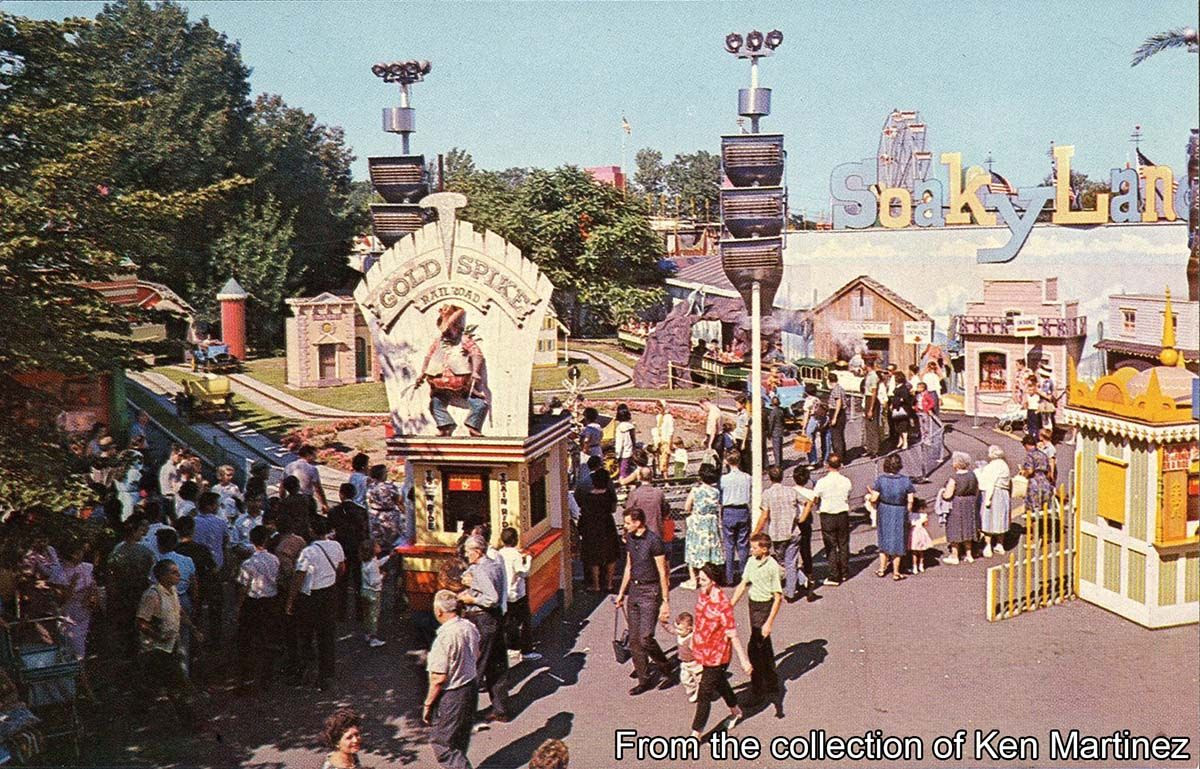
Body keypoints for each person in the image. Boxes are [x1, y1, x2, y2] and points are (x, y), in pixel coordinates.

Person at [135, 559, 202, 729]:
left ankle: (140, 709)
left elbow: (180, 612)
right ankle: (190, 721)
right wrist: (158, 637)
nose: (179, 575)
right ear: (163, 576)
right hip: (156, 649)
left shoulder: (172, 591)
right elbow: (141, 622)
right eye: (174, 572)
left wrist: (193, 629)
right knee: (174, 684)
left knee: (156, 682)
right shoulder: (152, 595)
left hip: (170, 646)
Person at [689, 564, 752, 739]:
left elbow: (732, 634)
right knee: (720, 683)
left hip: (717, 655)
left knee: (704, 694)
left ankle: (695, 735)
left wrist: (744, 660)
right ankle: (736, 711)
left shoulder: (723, 604)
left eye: (703, 579)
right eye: (699, 578)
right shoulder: (704, 594)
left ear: (713, 581)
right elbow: (699, 620)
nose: (699, 582)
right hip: (703, 650)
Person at [614, 508, 673, 695]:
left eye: (628, 523)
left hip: (650, 591)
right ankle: (643, 678)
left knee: (646, 637)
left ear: (638, 522)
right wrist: (621, 593)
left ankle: (665, 666)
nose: (625, 526)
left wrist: (665, 601)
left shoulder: (654, 541)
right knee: (634, 640)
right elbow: (629, 566)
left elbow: (663, 572)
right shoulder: (630, 538)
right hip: (635, 590)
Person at [286, 518, 345, 691]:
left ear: (311, 531)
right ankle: (326, 675)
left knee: (306, 635)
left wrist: (291, 600)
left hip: (310, 596)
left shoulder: (308, 552)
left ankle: (307, 672)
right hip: (329, 593)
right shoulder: (336, 546)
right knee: (327, 636)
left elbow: (299, 577)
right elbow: (342, 567)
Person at [423, 589, 479, 769]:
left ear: (439, 611)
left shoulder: (444, 638)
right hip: (470, 686)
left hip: (453, 694)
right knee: (460, 739)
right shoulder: (469, 627)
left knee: (444, 746)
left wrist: (428, 704)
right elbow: (476, 654)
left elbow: (438, 678)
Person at [458, 536, 511, 723]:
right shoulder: (494, 565)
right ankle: (501, 709)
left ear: (477, 551)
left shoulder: (481, 570)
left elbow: (491, 598)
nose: (466, 554)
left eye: (468, 551)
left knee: (475, 667)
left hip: (481, 618)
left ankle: (464, 714)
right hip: (495, 619)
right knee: (497, 665)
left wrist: (471, 599)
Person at [419, 304, 491, 437]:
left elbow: (476, 354)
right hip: (439, 384)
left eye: (450, 328)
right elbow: (428, 357)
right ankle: (445, 425)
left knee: (480, 404)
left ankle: (473, 425)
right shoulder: (438, 342)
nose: (447, 331)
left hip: (462, 383)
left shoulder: (463, 340)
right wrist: (423, 373)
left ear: (457, 327)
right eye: (445, 328)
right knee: (435, 404)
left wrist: (475, 371)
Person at [730, 533, 782, 709]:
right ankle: (772, 683)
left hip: (765, 607)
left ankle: (758, 691)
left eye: (754, 548)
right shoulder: (752, 561)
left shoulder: (772, 566)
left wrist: (769, 623)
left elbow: (778, 597)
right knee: (764, 647)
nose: (751, 550)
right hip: (753, 605)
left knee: (754, 649)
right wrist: (730, 605)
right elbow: (743, 584)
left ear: (765, 549)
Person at [236, 525, 279, 690]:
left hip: (253, 603)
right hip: (270, 601)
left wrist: (238, 607)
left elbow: (243, 587)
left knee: (247, 640)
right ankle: (267, 675)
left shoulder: (248, 563)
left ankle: (247, 676)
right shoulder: (274, 559)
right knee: (268, 638)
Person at [106, 516, 155, 659]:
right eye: (140, 531)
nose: (142, 534)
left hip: (122, 593)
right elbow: (152, 572)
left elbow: (110, 573)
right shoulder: (145, 551)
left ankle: (127, 655)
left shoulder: (117, 550)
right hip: (140, 591)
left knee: (126, 625)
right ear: (134, 532)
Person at [759, 465, 808, 602]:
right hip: (793, 531)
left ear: (770, 478)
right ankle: (802, 581)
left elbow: (764, 515)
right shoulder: (791, 491)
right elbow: (808, 502)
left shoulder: (767, 494)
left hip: (777, 534)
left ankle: (791, 591)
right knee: (790, 561)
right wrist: (802, 518)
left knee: (784, 562)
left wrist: (756, 531)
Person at [172, 516, 216, 660]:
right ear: (192, 530)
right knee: (194, 621)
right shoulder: (201, 549)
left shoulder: (174, 550)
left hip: (177, 590)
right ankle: (194, 652)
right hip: (198, 590)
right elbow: (212, 569)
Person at [866, 454, 915, 580]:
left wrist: (870, 496)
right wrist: (907, 511)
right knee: (899, 539)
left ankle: (882, 569)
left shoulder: (881, 480)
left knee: (884, 537)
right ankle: (896, 572)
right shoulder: (906, 481)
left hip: (885, 509)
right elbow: (910, 501)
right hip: (900, 510)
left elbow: (874, 499)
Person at [59, 542, 98, 698]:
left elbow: (93, 587)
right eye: (79, 551)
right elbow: (62, 599)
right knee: (76, 651)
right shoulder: (60, 572)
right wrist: (73, 583)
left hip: (85, 611)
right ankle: (85, 690)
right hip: (69, 614)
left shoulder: (86, 567)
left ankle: (80, 685)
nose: (82, 554)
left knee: (82, 649)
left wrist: (91, 597)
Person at [329, 483, 370, 623]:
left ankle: (341, 613)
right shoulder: (361, 511)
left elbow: (331, 531)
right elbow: (366, 532)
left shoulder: (334, 511)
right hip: (358, 548)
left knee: (342, 582)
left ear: (341, 494)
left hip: (342, 549)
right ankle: (360, 613)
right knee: (359, 581)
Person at [192, 491, 229, 647]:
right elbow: (226, 541)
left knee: (196, 605)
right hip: (214, 569)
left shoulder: (193, 522)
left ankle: (194, 637)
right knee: (215, 607)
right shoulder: (220, 522)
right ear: (210, 506)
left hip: (197, 569)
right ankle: (215, 639)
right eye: (216, 504)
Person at [496, 527, 538, 660]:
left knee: (509, 622)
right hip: (517, 594)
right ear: (515, 540)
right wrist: (529, 559)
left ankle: (511, 647)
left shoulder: (499, 554)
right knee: (525, 622)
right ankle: (526, 651)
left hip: (504, 594)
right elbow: (523, 572)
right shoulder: (515, 555)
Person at [682, 463, 724, 590]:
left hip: (698, 522)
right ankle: (709, 577)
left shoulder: (696, 491)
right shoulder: (716, 492)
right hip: (710, 522)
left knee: (693, 549)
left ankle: (693, 579)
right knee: (709, 549)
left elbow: (687, 507)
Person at [577, 469, 621, 593]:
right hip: (607, 524)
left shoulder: (587, 497)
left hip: (592, 526)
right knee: (611, 555)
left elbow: (583, 511)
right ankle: (609, 584)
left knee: (593, 556)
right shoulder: (609, 495)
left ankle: (596, 585)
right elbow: (613, 509)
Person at [812, 454, 853, 586]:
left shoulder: (822, 482)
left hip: (827, 515)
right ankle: (844, 572)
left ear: (827, 465)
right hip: (842, 514)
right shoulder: (846, 481)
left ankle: (834, 575)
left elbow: (815, 498)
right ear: (840, 465)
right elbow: (848, 495)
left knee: (830, 546)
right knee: (843, 544)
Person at [719, 449, 752, 586]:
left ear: (727, 461)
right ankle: (744, 575)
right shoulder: (747, 477)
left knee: (729, 545)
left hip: (728, 510)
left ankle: (730, 577)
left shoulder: (723, 479)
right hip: (742, 510)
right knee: (743, 544)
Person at [941, 451, 980, 565]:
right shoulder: (972, 475)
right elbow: (977, 489)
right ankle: (969, 554)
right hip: (970, 503)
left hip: (957, 503)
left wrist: (942, 494)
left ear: (957, 464)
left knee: (955, 528)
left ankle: (955, 555)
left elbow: (948, 495)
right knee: (968, 527)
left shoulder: (954, 478)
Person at [976, 445, 1012, 557]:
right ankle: (1000, 544)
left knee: (988, 520)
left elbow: (987, 482)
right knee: (1001, 519)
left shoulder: (991, 466)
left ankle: (988, 546)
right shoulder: (1005, 465)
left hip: (993, 494)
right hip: (1004, 494)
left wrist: (987, 500)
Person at [623, 455, 670, 537]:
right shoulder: (659, 493)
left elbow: (627, 513)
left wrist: (626, 533)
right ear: (651, 477)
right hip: (656, 531)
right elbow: (664, 511)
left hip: (639, 532)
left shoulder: (634, 493)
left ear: (640, 477)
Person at [790, 466, 818, 599]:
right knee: (806, 550)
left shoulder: (790, 491)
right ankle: (809, 573)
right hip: (805, 522)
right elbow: (816, 502)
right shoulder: (810, 493)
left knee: (792, 550)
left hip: (793, 522)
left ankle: (796, 575)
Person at [366, 464, 404, 546]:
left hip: (374, 514)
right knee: (392, 540)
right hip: (389, 515)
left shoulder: (370, 486)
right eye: (385, 472)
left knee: (377, 539)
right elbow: (398, 500)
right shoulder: (390, 487)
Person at [359, 539, 387, 648]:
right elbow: (374, 582)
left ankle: (367, 634)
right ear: (373, 550)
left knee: (367, 615)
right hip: (373, 593)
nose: (379, 546)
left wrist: (388, 557)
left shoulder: (367, 561)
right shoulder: (373, 565)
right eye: (376, 545)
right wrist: (382, 576)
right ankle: (373, 638)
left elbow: (378, 563)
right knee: (374, 616)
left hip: (364, 591)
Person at [285, 444, 328, 514]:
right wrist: (324, 504)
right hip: (306, 499)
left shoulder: (289, 466)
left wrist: (283, 500)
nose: (315, 457)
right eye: (314, 455)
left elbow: (282, 486)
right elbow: (318, 488)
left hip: (291, 497)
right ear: (308, 455)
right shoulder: (312, 469)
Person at [1020, 434, 1055, 513]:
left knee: (1033, 510)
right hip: (1045, 484)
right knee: (1045, 509)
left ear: (1026, 445)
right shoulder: (1044, 455)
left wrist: (1023, 473)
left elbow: (1030, 471)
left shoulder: (1030, 455)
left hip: (1034, 484)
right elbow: (1049, 473)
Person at [674, 612, 702, 704]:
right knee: (685, 679)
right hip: (685, 663)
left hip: (694, 663)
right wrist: (664, 624)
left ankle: (699, 692)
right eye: (677, 628)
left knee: (699, 680)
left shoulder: (691, 639)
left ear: (689, 628)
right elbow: (671, 630)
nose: (678, 631)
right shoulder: (680, 635)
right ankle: (693, 689)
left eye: (680, 629)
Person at [800, 383, 825, 468]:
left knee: (809, 442)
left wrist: (803, 427)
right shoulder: (817, 399)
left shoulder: (808, 400)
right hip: (818, 420)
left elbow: (806, 414)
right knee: (813, 441)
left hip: (811, 420)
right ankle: (815, 459)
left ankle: (813, 461)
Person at [824, 373, 847, 461]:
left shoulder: (836, 390)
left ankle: (839, 458)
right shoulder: (839, 388)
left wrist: (834, 417)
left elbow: (838, 403)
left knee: (836, 437)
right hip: (839, 413)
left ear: (829, 381)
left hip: (836, 413)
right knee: (840, 436)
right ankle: (842, 456)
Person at [889, 371, 914, 451]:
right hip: (897, 407)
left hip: (902, 408)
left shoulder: (903, 388)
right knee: (898, 425)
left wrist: (896, 401)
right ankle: (901, 440)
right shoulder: (898, 387)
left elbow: (905, 398)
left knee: (903, 425)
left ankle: (905, 442)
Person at [862, 361, 882, 458]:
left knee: (873, 426)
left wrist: (871, 409)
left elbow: (874, 392)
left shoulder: (873, 376)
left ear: (867, 365)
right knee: (868, 426)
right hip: (867, 398)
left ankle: (875, 450)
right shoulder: (868, 375)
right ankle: (869, 448)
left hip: (871, 400)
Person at [908, 498, 933, 573]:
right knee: (921, 551)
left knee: (914, 552)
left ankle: (914, 567)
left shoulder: (910, 515)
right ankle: (921, 565)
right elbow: (926, 524)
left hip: (913, 533)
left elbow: (908, 524)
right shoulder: (923, 515)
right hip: (921, 533)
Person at [613, 403, 636, 480]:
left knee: (623, 472)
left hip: (623, 453)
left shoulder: (620, 428)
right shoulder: (631, 426)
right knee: (628, 469)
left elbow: (619, 442)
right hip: (630, 451)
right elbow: (633, 440)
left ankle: (624, 483)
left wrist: (617, 454)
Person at [652, 400, 675, 478]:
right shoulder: (658, 417)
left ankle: (666, 479)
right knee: (659, 460)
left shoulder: (668, 417)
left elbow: (671, 431)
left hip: (666, 441)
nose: (657, 410)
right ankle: (662, 477)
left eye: (659, 408)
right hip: (659, 441)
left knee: (664, 461)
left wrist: (670, 444)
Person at [764, 394, 786, 469]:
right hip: (780, 432)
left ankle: (777, 465)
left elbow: (771, 423)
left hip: (775, 432)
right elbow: (783, 422)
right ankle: (780, 463)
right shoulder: (781, 411)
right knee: (780, 449)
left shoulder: (773, 412)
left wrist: (769, 433)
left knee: (776, 450)